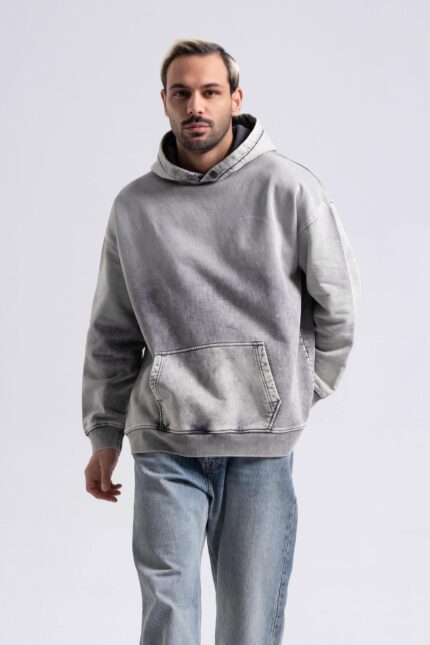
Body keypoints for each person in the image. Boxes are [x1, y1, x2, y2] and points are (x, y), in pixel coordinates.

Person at [82, 38, 361, 644]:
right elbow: (112, 329)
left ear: (236, 98)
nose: (196, 106)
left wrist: (294, 390)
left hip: (260, 448)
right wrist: (104, 434)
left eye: (210, 91)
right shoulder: (134, 207)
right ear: (164, 101)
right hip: (164, 440)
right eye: (182, 93)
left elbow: (338, 306)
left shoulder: (289, 189)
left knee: (248, 627)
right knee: (168, 620)